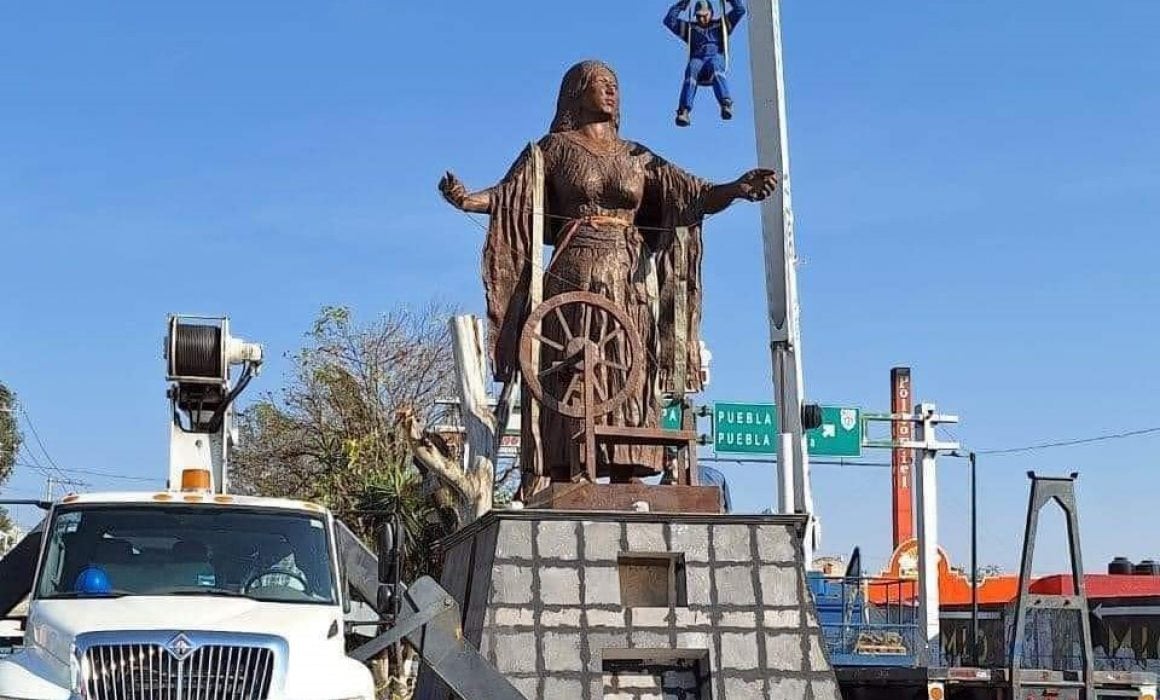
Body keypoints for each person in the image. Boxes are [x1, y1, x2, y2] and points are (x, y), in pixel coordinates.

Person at [438, 61, 776, 497]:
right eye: (600, 85)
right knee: (575, 366)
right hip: (574, 275)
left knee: (629, 367)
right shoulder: (554, 148)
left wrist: (734, 188)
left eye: (615, 85)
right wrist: (467, 200)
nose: (610, 92)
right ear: (577, 93)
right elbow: (511, 196)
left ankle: (627, 467)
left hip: (630, 280)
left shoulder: (638, 156)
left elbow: (691, 194)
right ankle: (565, 465)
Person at [663, 0, 747, 126]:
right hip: (698, 60)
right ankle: (684, 110)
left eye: (705, 15)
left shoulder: (721, 25)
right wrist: (683, 4)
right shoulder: (691, 29)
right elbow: (669, 20)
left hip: (714, 58)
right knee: (692, 68)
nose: (702, 19)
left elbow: (740, 10)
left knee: (715, 65)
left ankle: (725, 103)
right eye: (699, 16)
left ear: (711, 13)